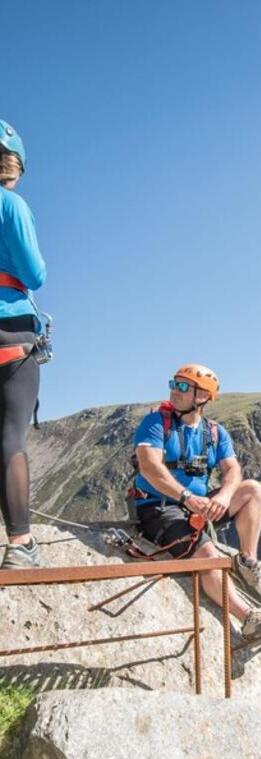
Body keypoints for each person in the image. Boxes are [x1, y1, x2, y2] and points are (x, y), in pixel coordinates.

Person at [132, 364, 261, 640]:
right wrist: (187, 497)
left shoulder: (214, 432)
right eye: (174, 384)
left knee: (252, 490)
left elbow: (233, 470)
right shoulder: (156, 423)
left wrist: (224, 497)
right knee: (207, 554)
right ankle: (247, 617)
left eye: (182, 386)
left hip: (197, 505)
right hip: (158, 507)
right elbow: (149, 466)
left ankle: (247, 563)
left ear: (202, 396)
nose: (174, 391)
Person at [0, 119, 47, 568]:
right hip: (9, 329)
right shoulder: (10, 205)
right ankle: (20, 543)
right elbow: (34, 274)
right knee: (10, 434)